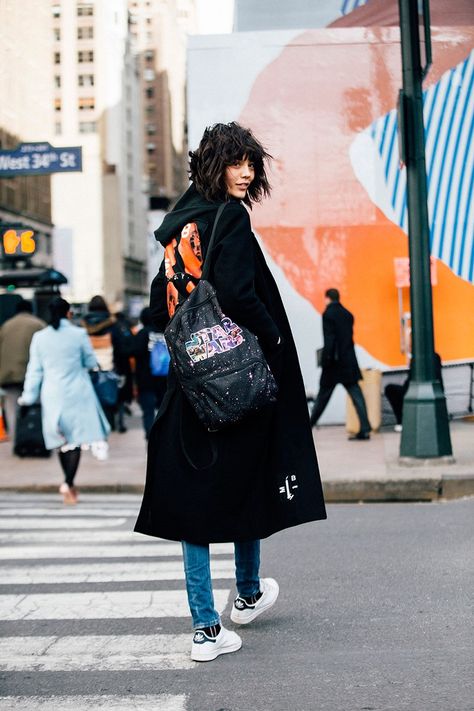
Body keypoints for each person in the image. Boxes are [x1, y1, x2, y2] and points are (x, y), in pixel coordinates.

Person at [135, 122, 326, 662]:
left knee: (193, 499)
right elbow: (241, 297)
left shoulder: (177, 226)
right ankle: (242, 595)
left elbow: (158, 307)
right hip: (234, 378)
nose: (245, 173)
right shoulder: (229, 218)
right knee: (248, 476)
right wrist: (273, 339)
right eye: (235, 162)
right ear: (213, 165)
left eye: (250, 163)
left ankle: (208, 626)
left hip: (189, 380)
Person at [19, 297, 110, 504]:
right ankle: (68, 482)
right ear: (69, 312)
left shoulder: (40, 337)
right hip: (78, 391)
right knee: (76, 441)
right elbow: (89, 361)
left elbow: (34, 371)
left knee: (62, 441)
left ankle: (68, 484)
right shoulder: (78, 334)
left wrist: (28, 398)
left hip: (52, 393)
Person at [310, 288, 371, 440]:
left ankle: (308, 426)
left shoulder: (328, 315)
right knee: (357, 396)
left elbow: (329, 340)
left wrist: (325, 361)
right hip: (348, 362)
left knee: (322, 398)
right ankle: (365, 428)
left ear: (327, 298)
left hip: (333, 364)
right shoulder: (348, 315)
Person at [0, 300, 45, 442]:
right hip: (30, 374)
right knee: (35, 405)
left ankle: (15, 439)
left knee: (11, 407)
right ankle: (34, 435)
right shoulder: (38, 324)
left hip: (8, 375)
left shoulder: (6, 326)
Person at [81, 295, 126, 432]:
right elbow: (121, 348)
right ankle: (113, 423)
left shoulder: (82, 326)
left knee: (92, 398)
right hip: (110, 366)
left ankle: (94, 425)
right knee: (111, 397)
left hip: (89, 368)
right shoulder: (113, 325)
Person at [122, 307, 167, 439]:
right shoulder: (165, 331)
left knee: (148, 412)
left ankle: (150, 436)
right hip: (165, 379)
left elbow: (132, 351)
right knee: (164, 409)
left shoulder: (142, 334)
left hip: (146, 379)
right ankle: (165, 435)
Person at [385, 352, 444, 432]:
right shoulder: (432, 357)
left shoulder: (425, 358)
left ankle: (402, 421)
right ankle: (403, 420)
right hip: (418, 389)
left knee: (391, 389)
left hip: (421, 390)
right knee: (390, 389)